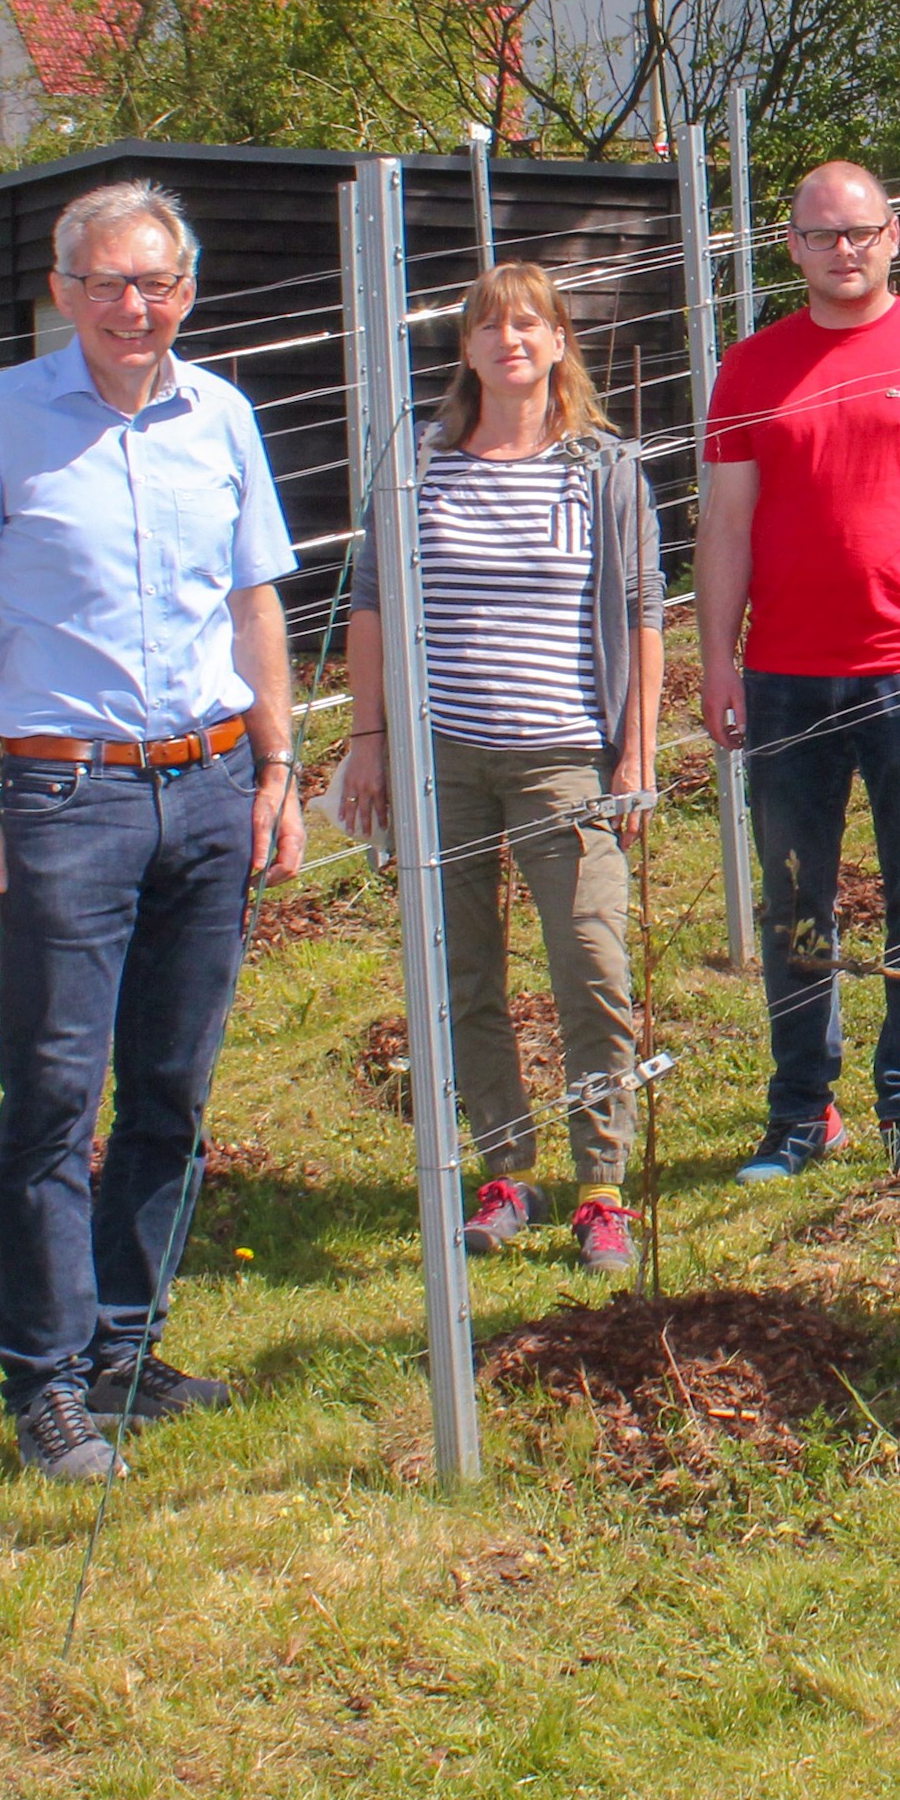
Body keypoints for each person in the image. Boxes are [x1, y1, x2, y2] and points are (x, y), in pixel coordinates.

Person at [0, 182, 305, 1485]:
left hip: (205, 787)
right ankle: (46, 1378)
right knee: (52, 1095)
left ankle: (125, 1346)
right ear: (64, 290)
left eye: (158, 283)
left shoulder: (225, 416)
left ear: (186, 290)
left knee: (174, 1091)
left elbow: (254, 607)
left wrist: (277, 769)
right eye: (108, 283)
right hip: (63, 794)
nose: (136, 307)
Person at [337, 260, 667, 1279]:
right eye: (489, 324)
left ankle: (602, 1184)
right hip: (447, 759)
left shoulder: (603, 467)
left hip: (566, 757)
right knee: (461, 973)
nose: (510, 339)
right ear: (468, 347)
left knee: (592, 965)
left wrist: (637, 748)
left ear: (560, 342)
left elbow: (647, 609)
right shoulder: (419, 461)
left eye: (530, 324)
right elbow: (372, 607)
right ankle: (502, 1169)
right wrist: (370, 739)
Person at [696, 161, 900, 1182]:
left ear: (893, 236)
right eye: (822, 234)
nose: (844, 249)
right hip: (785, 677)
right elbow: (726, 527)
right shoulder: (751, 368)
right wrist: (716, 661)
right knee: (794, 900)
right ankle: (801, 1112)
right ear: (788, 245)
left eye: (861, 231)